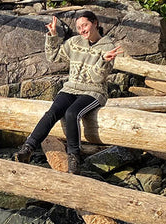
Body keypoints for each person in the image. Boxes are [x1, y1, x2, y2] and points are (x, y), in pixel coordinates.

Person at [13, 11, 122, 174]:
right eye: (79, 27)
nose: (82, 30)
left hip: (93, 92)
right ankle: (28, 149)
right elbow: (53, 57)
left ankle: (74, 157)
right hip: (71, 88)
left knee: (71, 114)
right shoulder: (75, 42)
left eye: (85, 25)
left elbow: (97, 78)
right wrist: (53, 35)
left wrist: (103, 61)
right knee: (53, 112)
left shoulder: (107, 47)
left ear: (95, 23)